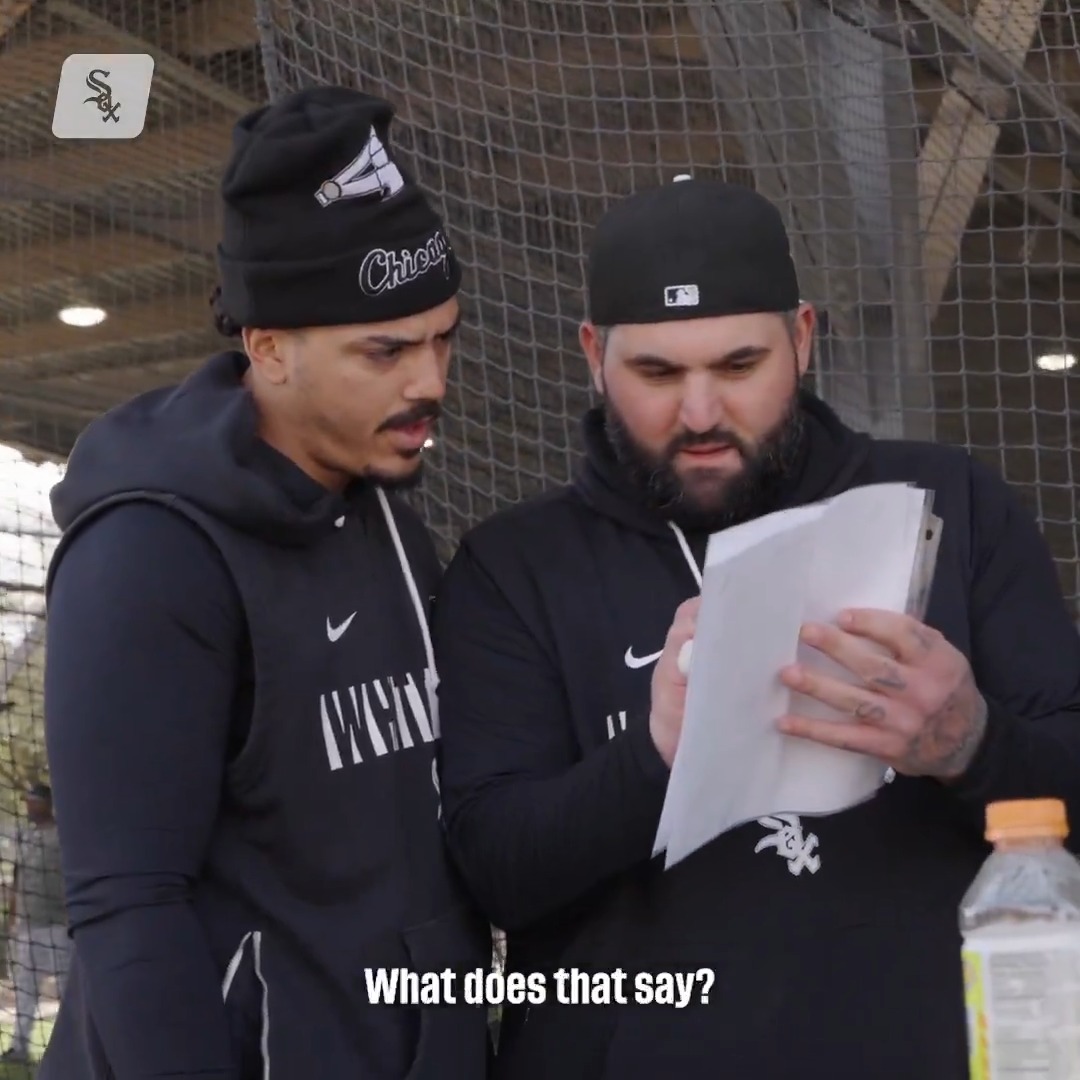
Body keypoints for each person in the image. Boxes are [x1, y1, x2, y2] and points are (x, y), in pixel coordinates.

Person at [430, 176, 1080, 1079]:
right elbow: (496, 872)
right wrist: (654, 757)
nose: (700, 414)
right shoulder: (516, 566)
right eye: (657, 373)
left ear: (802, 338)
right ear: (594, 355)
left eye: (739, 367)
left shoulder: (950, 502)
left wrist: (970, 740)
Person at [39, 86, 492, 1080]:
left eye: (442, 337)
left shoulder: (387, 518)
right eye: (385, 350)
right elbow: (127, 911)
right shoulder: (148, 557)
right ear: (270, 347)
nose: (429, 382)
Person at [0, 784, 69, 1064]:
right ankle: (19, 1048)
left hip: (58, 926)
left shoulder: (62, 836)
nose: (28, 806)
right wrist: (13, 920)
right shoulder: (26, 837)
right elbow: (17, 879)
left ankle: (74, 1046)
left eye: (33, 801)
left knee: (69, 991)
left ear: (47, 803)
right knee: (25, 992)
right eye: (26, 801)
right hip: (28, 928)